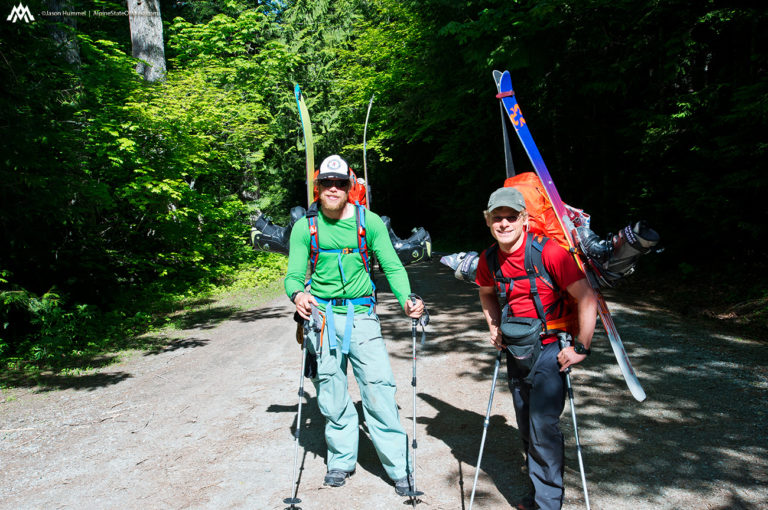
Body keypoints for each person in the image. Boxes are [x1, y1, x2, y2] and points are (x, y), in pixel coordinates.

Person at [285, 154, 425, 496]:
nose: (333, 188)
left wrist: (407, 298)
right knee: (331, 392)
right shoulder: (306, 227)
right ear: (317, 187)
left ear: (351, 187)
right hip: (321, 318)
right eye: (327, 183)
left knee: (378, 388)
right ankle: (340, 460)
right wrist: (298, 295)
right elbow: (292, 275)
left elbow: (392, 267)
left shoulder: (369, 222)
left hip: (361, 316)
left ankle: (399, 466)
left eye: (340, 183)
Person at [475, 187, 597, 510]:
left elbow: (587, 297)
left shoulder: (549, 253)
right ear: (487, 221)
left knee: (542, 425)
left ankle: (546, 503)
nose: (504, 224)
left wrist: (581, 348)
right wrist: (494, 325)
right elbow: (487, 293)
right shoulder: (488, 259)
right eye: (497, 218)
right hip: (517, 351)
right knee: (528, 426)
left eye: (511, 217)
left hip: (550, 350)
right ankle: (538, 492)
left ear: (524, 219)